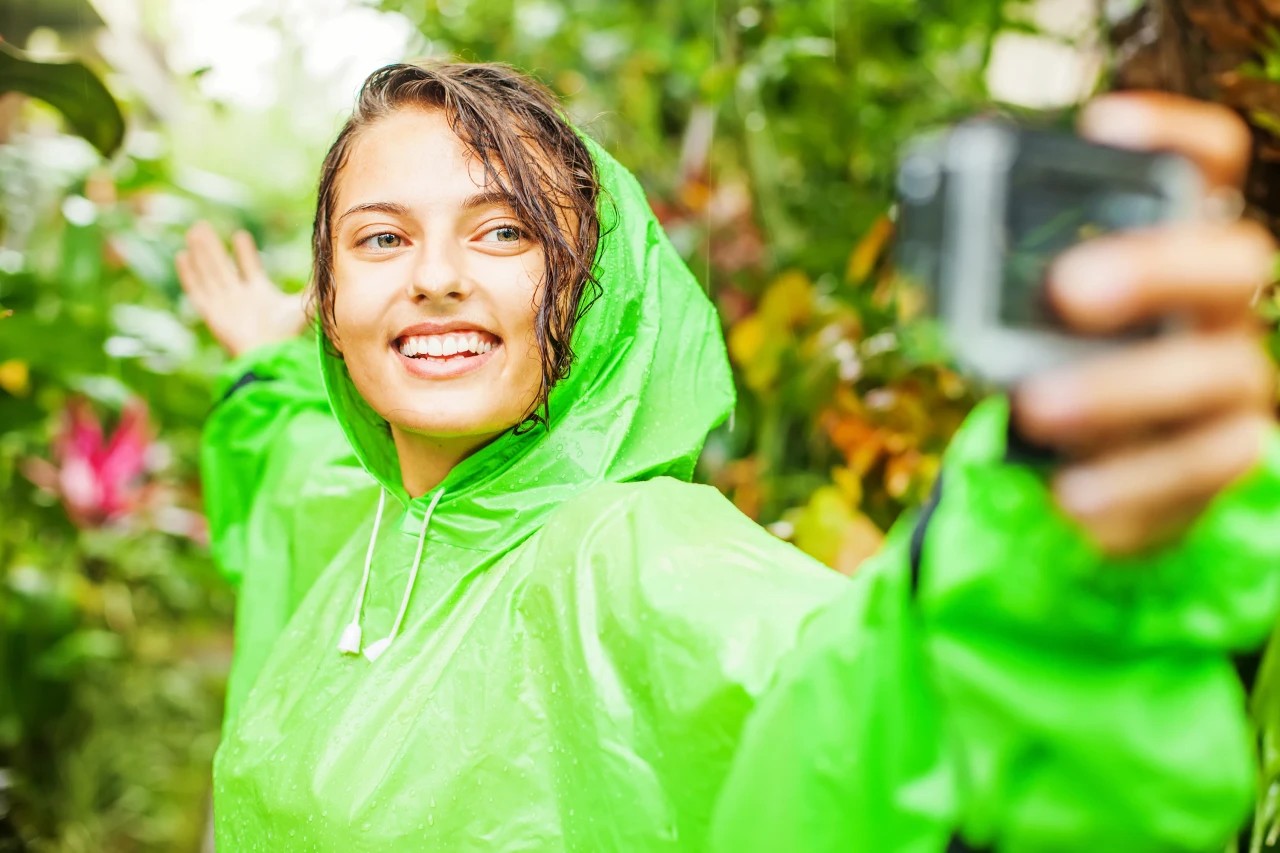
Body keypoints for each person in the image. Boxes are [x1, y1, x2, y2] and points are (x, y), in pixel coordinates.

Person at [178, 62, 1280, 851]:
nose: (433, 278)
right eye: (381, 238)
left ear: (588, 290)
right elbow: (296, 470)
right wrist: (262, 366)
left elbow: (878, 711)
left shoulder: (633, 556)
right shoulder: (368, 534)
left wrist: (1045, 542)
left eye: (503, 231)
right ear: (328, 303)